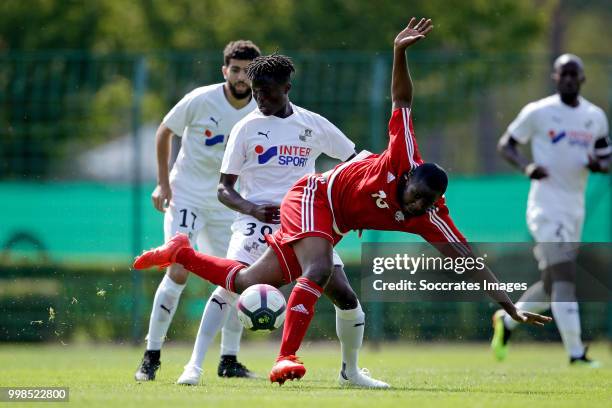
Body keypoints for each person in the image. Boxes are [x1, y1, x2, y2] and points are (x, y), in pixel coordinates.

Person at [134, 18, 551, 385]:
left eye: (427, 204)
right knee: (316, 267)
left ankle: (183, 254)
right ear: (406, 177)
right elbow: (402, 101)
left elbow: (466, 258)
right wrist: (398, 52)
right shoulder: (402, 154)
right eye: (416, 197)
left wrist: (508, 304)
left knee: (282, 289)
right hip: (313, 197)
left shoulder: (429, 216)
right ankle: (285, 357)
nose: (417, 207)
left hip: (332, 224)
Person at [177, 53, 388, 388]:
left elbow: (356, 163)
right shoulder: (246, 128)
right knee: (229, 288)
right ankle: (194, 367)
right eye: (256, 91)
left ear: (287, 88)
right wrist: (251, 208)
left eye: (268, 92)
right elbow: (224, 188)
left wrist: (358, 205)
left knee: (346, 298)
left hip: (306, 222)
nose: (260, 99)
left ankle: (352, 373)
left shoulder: (312, 124)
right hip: (255, 223)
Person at [135, 40, 261, 382]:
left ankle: (229, 360)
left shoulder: (261, 110)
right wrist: (163, 183)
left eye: (247, 71)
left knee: (237, 279)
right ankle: (151, 356)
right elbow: (165, 131)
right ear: (224, 70)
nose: (240, 76)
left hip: (226, 205)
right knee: (178, 269)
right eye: (234, 69)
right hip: (187, 196)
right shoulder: (201, 99)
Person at [492, 53, 610, 367]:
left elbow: (606, 157)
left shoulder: (595, 116)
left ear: (582, 79)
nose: (569, 79)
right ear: (555, 78)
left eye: (575, 74)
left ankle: (506, 321)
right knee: (564, 277)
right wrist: (526, 166)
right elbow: (506, 144)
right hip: (545, 207)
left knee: (550, 285)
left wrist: (600, 165)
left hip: (575, 210)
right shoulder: (539, 112)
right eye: (563, 74)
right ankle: (576, 354)